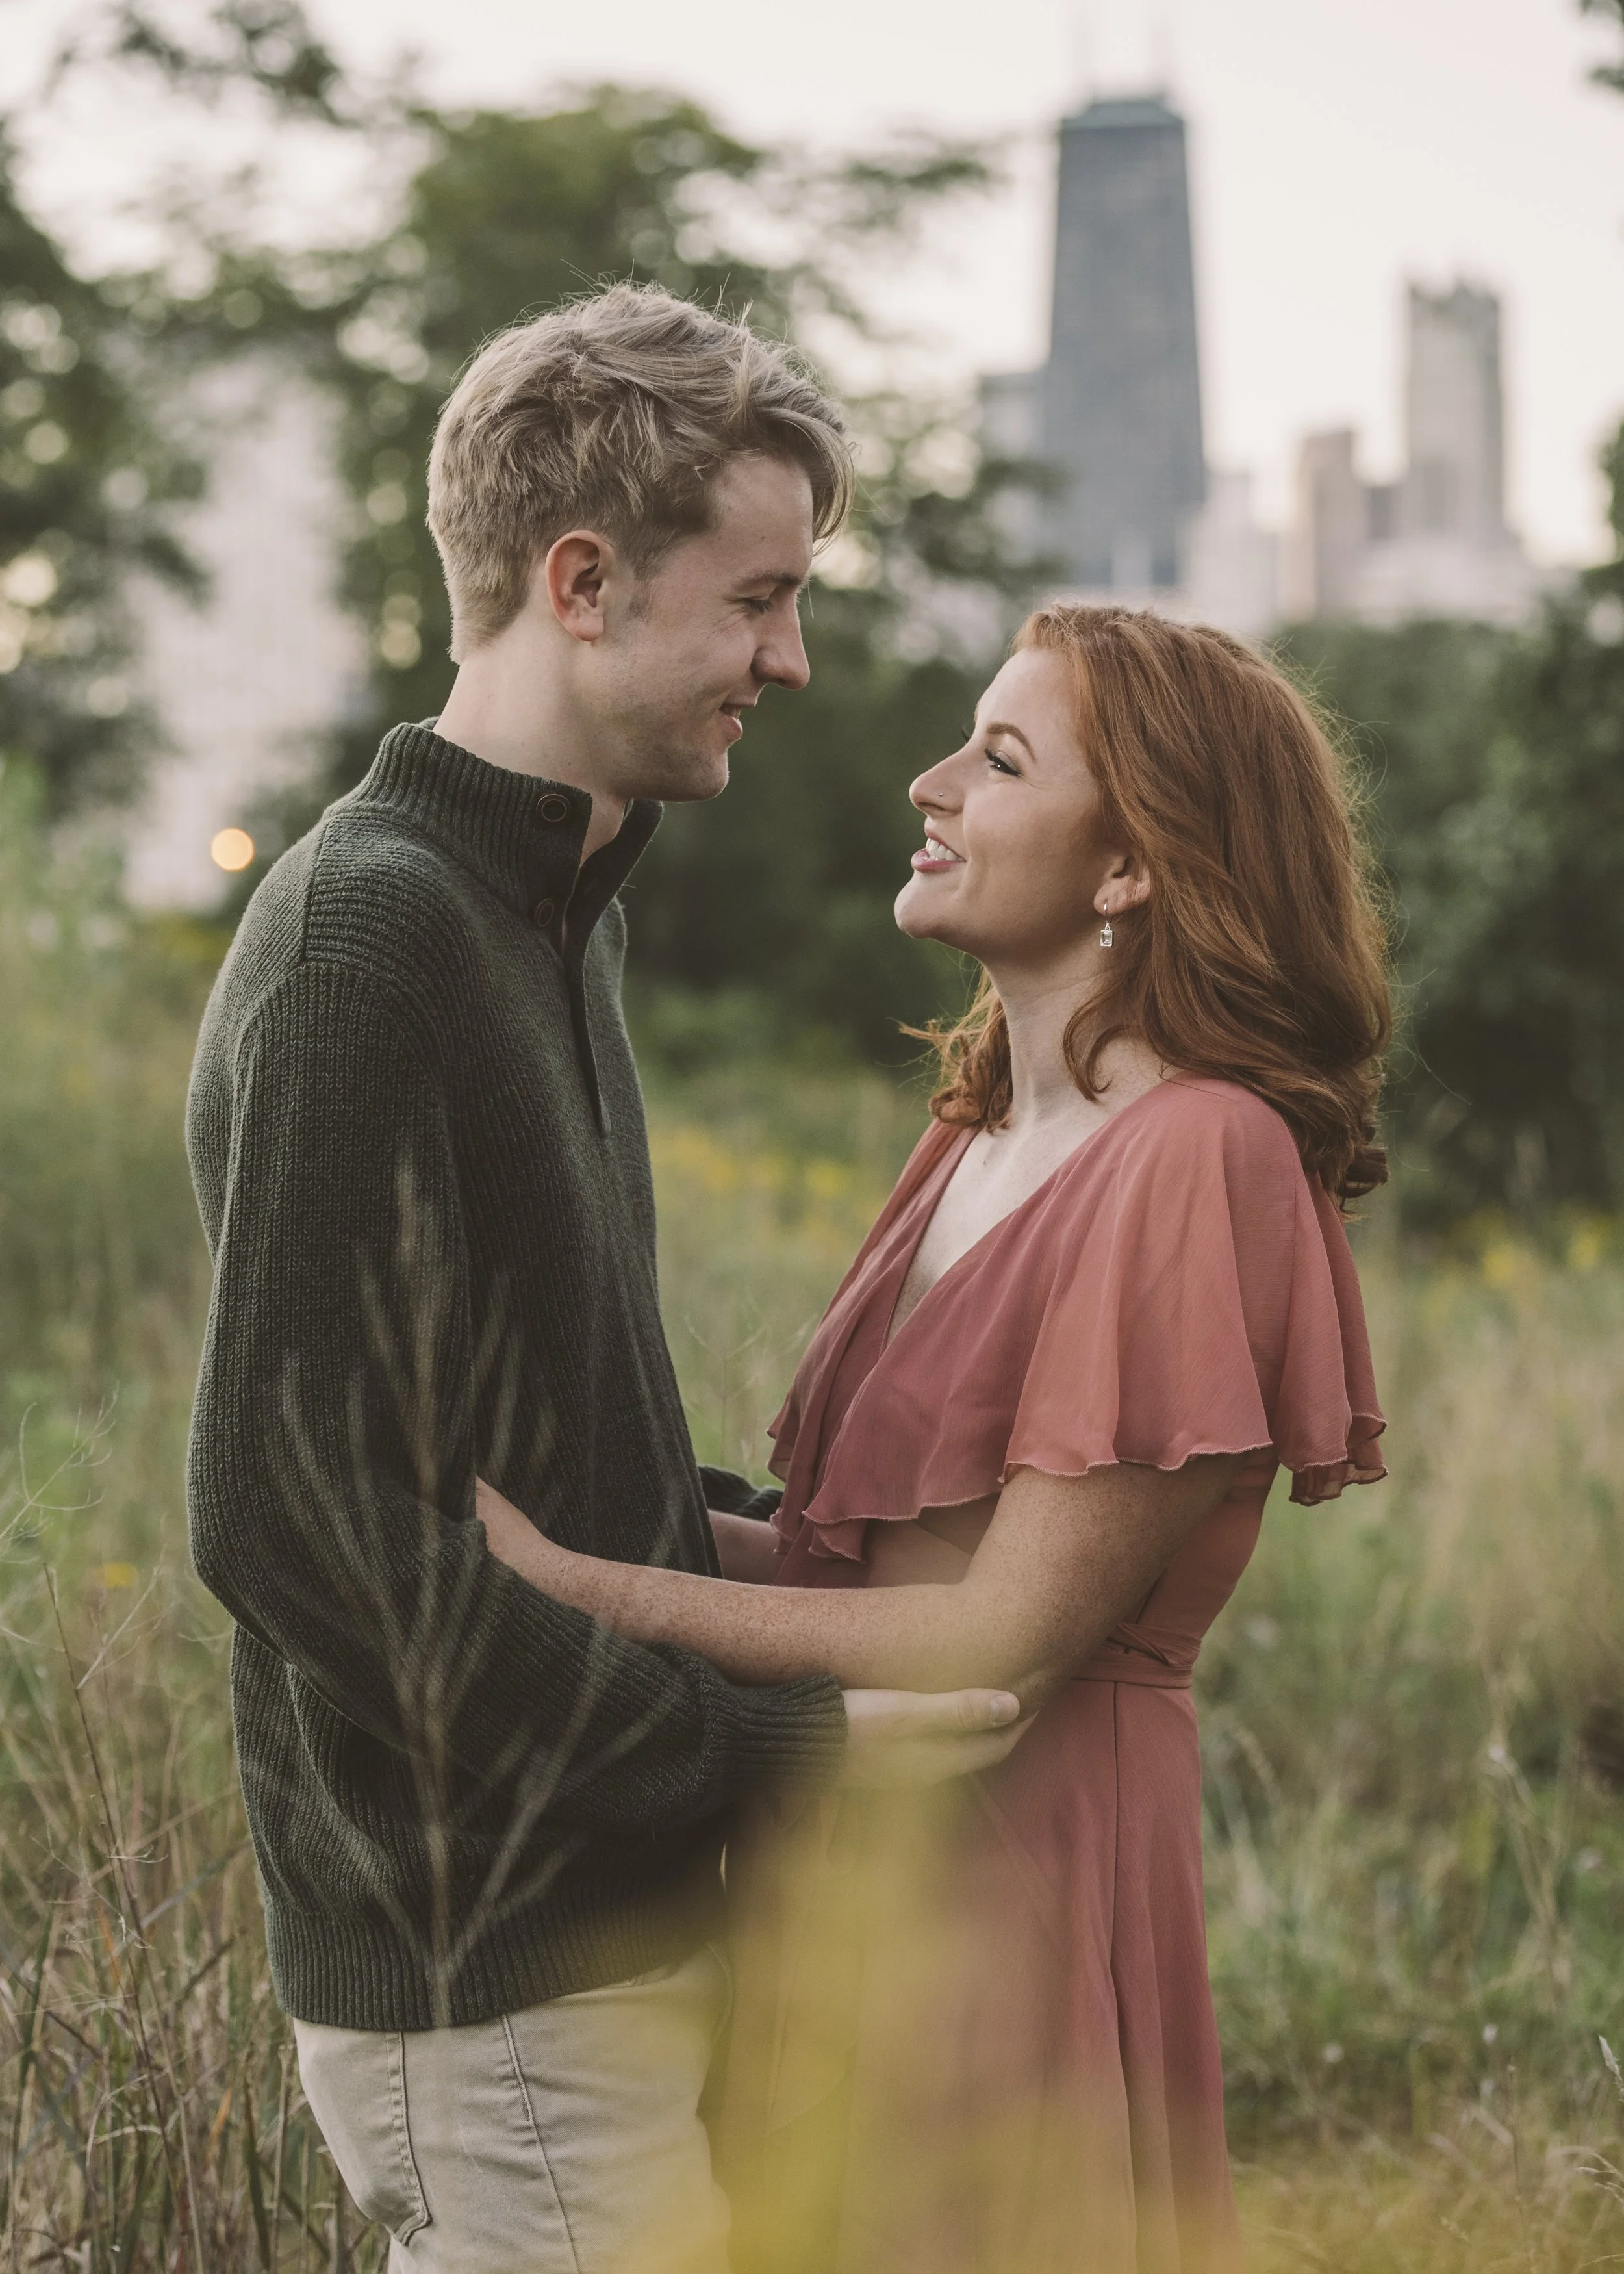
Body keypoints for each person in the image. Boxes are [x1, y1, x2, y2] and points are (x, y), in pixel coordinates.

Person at [183, 284, 1023, 2274]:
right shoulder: (372, 940)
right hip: (493, 1964)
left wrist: (796, 1575)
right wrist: (751, 1748)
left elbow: (526, 1442)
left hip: (596, 1945)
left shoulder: (547, 909)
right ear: (579, 579)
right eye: (754, 598)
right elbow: (286, 1518)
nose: (792, 657)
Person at [477, 601, 1393, 2273]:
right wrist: (565, 1492)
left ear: (1129, 866)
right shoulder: (972, 1130)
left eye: (1000, 755)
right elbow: (847, 1555)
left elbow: (993, 1633)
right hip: (831, 1863)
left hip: (1013, 1877)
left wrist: (576, 1583)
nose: (930, 781)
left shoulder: (1201, 1157)